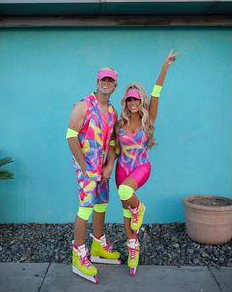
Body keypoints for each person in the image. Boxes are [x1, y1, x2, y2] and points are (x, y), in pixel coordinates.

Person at [107, 50, 179, 277]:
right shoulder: (119, 124)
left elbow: (157, 93)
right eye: (129, 99)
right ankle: (133, 250)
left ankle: (140, 207)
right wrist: (108, 166)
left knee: (129, 196)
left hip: (140, 167)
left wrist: (165, 66)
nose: (132, 102)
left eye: (136, 99)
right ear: (125, 102)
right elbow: (113, 148)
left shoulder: (149, 118)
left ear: (141, 101)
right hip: (121, 170)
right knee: (126, 215)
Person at [66, 67, 121, 283]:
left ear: (114, 85)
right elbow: (71, 136)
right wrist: (84, 167)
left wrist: (109, 166)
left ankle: (98, 244)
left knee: (101, 204)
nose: (105, 82)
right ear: (97, 82)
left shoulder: (112, 111)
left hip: (102, 168)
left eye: (110, 80)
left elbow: (113, 142)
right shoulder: (83, 106)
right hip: (86, 167)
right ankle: (78, 255)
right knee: (85, 208)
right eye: (102, 79)